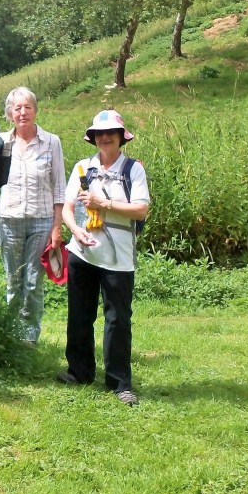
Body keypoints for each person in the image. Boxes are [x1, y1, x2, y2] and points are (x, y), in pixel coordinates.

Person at [58, 109, 149, 406]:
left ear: (122, 137)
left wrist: (104, 203)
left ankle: (120, 383)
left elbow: (141, 210)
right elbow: (68, 209)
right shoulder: (82, 167)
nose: (105, 137)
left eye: (111, 133)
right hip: (81, 252)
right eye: (100, 133)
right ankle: (79, 372)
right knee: (79, 316)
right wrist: (75, 231)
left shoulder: (133, 169)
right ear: (93, 138)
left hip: (119, 258)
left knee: (118, 320)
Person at [0, 87, 66, 346]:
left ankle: (30, 338)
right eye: (17, 108)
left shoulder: (51, 142)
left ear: (36, 110)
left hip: (41, 221)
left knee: (34, 282)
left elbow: (59, 187)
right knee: (13, 281)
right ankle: (10, 336)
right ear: (9, 114)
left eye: (28, 107)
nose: (23, 112)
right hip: (9, 220)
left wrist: (57, 228)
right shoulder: (1, 143)